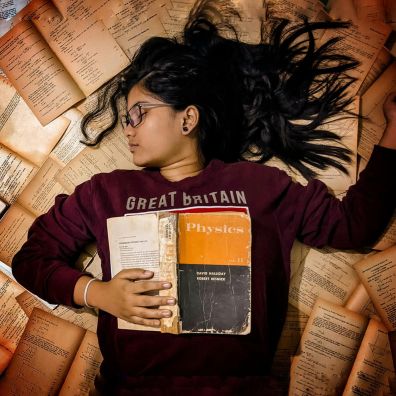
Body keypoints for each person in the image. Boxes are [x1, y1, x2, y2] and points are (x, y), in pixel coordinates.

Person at [11, 1, 396, 394]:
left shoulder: (260, 187)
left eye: (139, 112)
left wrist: (393, 134)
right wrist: (96, 293)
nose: (128, 128)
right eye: (126, 117)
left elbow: (353, 226)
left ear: (187, 119)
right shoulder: (105, 191)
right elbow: (30, 260)